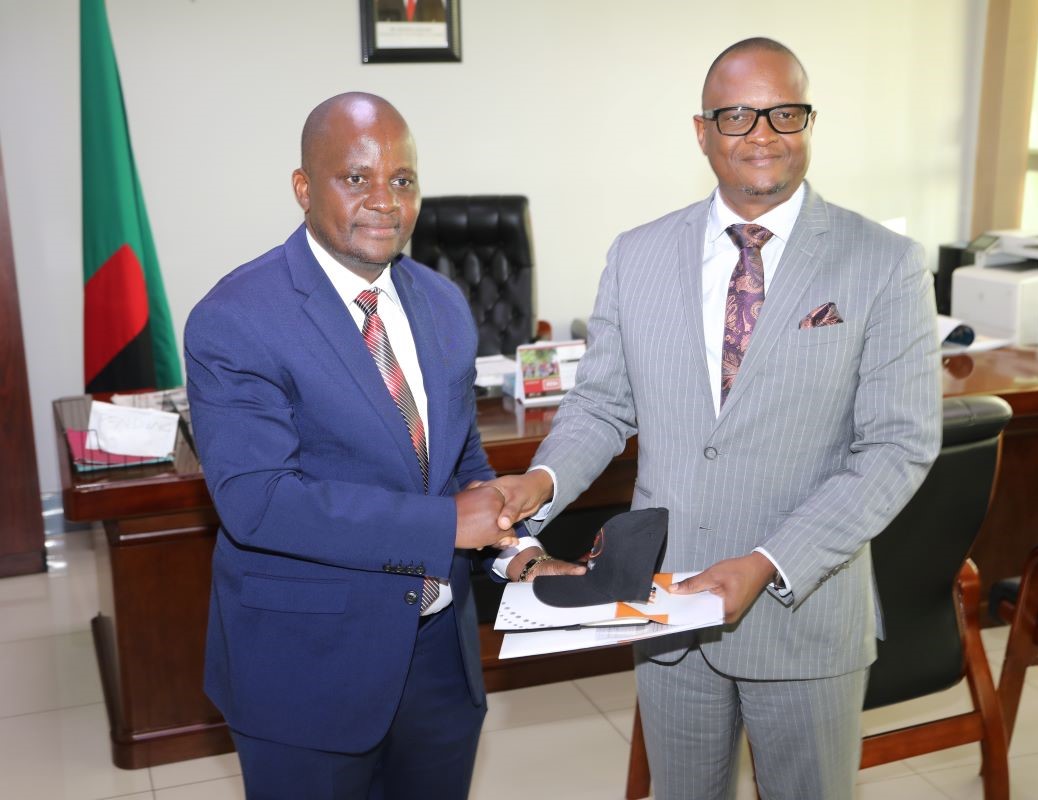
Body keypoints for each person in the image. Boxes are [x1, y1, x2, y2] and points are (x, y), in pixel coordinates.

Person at [487, 38, 942, 799]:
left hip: (805, 610)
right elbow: (601, 403)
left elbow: (898, 446)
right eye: (737, 116)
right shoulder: (637, 255)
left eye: (784, 113)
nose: (763, 133)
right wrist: (542, 481)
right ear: (702, 132)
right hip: (667, 609)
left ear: (809, 122)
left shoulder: (884, 262)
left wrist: (768, 561)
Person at [184, 92, 576, 800]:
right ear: (304, 187)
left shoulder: (442, 302)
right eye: (355, 177)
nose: (385, 201)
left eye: (402, 180)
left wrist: (519, 552)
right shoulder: (237, 317)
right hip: (308, 666)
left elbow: (460, 463)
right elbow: (258, 503)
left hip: (439, 659)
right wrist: (445, 524)